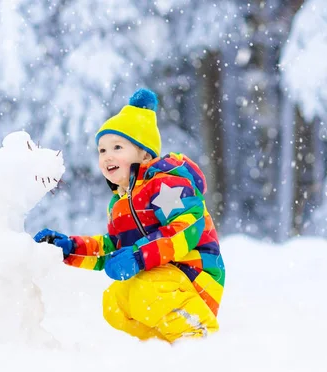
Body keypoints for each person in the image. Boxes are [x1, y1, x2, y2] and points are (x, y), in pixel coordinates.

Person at [34, 88, 225, 343]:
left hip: (193, 276)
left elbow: (185, 230)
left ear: (144, 154)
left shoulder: (166, 185)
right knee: (113, 302)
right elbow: (113, 247)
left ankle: (199, 336)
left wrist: (139, 256)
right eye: (101, 150)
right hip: (161, 278)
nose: (107, 156)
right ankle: (166, 344)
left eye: (117, 147)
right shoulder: (120, 204)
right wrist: (69, 249)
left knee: (146, 289)